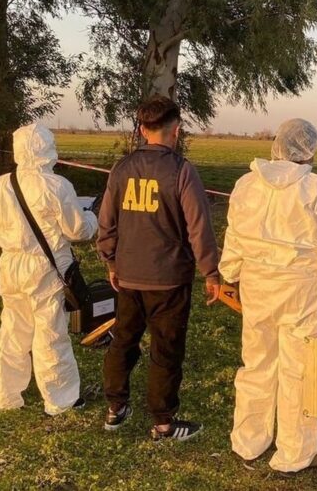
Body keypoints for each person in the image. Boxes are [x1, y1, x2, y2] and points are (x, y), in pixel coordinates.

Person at [219, 118, 317, 473]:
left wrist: (229, 273)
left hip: (258, 289)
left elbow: (234, 235)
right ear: (308, 149)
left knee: (257, 364)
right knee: (299, 372)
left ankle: (249, 441)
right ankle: (294, 455)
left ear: (277, 144)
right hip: (306, 295)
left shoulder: (246, 185)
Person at [96, 95, 221, 441]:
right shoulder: (182, 171)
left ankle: (115, 407)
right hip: (169, 281)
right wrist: (211, 272)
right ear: (176, 130)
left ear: (141, 129)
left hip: (128, 277)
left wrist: (110, 260)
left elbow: (106, 223)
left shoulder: (121, 169)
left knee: (123, 340)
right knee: (165, 350)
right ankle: (164, 424)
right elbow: (199, 228)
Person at [0, 123, 98, 415]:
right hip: (46, 268)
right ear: (48, 148)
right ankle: (59, 399)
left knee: (12, 329)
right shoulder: (57, 185)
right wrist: (92, 217)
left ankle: (8, 395)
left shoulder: (1, 184)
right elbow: (77, 230)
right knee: (50, 333)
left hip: (11, 264)